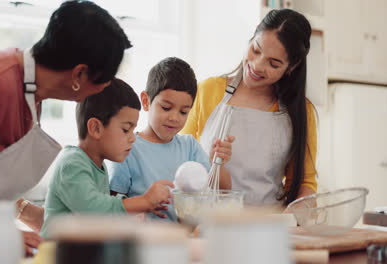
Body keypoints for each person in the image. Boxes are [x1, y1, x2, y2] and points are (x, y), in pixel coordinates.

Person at [0, 0, 131, 252]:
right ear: (79, 74)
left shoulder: (31, 93)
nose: (106, 87)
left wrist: (32, 220)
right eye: (106, 79)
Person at [181, 9, 317, 207]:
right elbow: (181, 160)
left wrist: (293, 218)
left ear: (292, 67)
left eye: (274, 63)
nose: (257, 66)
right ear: (251, 38)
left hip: (269, 225)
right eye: (256, 49)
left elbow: (305, 183)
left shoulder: (301, 111)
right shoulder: (208, 91)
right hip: (209, 221)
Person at [40, 79, 173, 237]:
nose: (132, 138)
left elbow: (103, 207)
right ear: (96, 128)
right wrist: (143, 201)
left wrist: (140, 207)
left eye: (133, 130)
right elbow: (92, 209)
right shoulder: (72, 163)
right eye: (125, 129)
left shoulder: (98, 166)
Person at [109, 57, 234, 221]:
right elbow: (114, 205)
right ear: (146, 101)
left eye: (183, 112)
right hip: (145, 240)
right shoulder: (127, 148)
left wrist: (219, 163)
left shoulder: (190, 146)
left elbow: (219, 191)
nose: (175, 118)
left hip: (185, 238)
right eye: (166, 108)